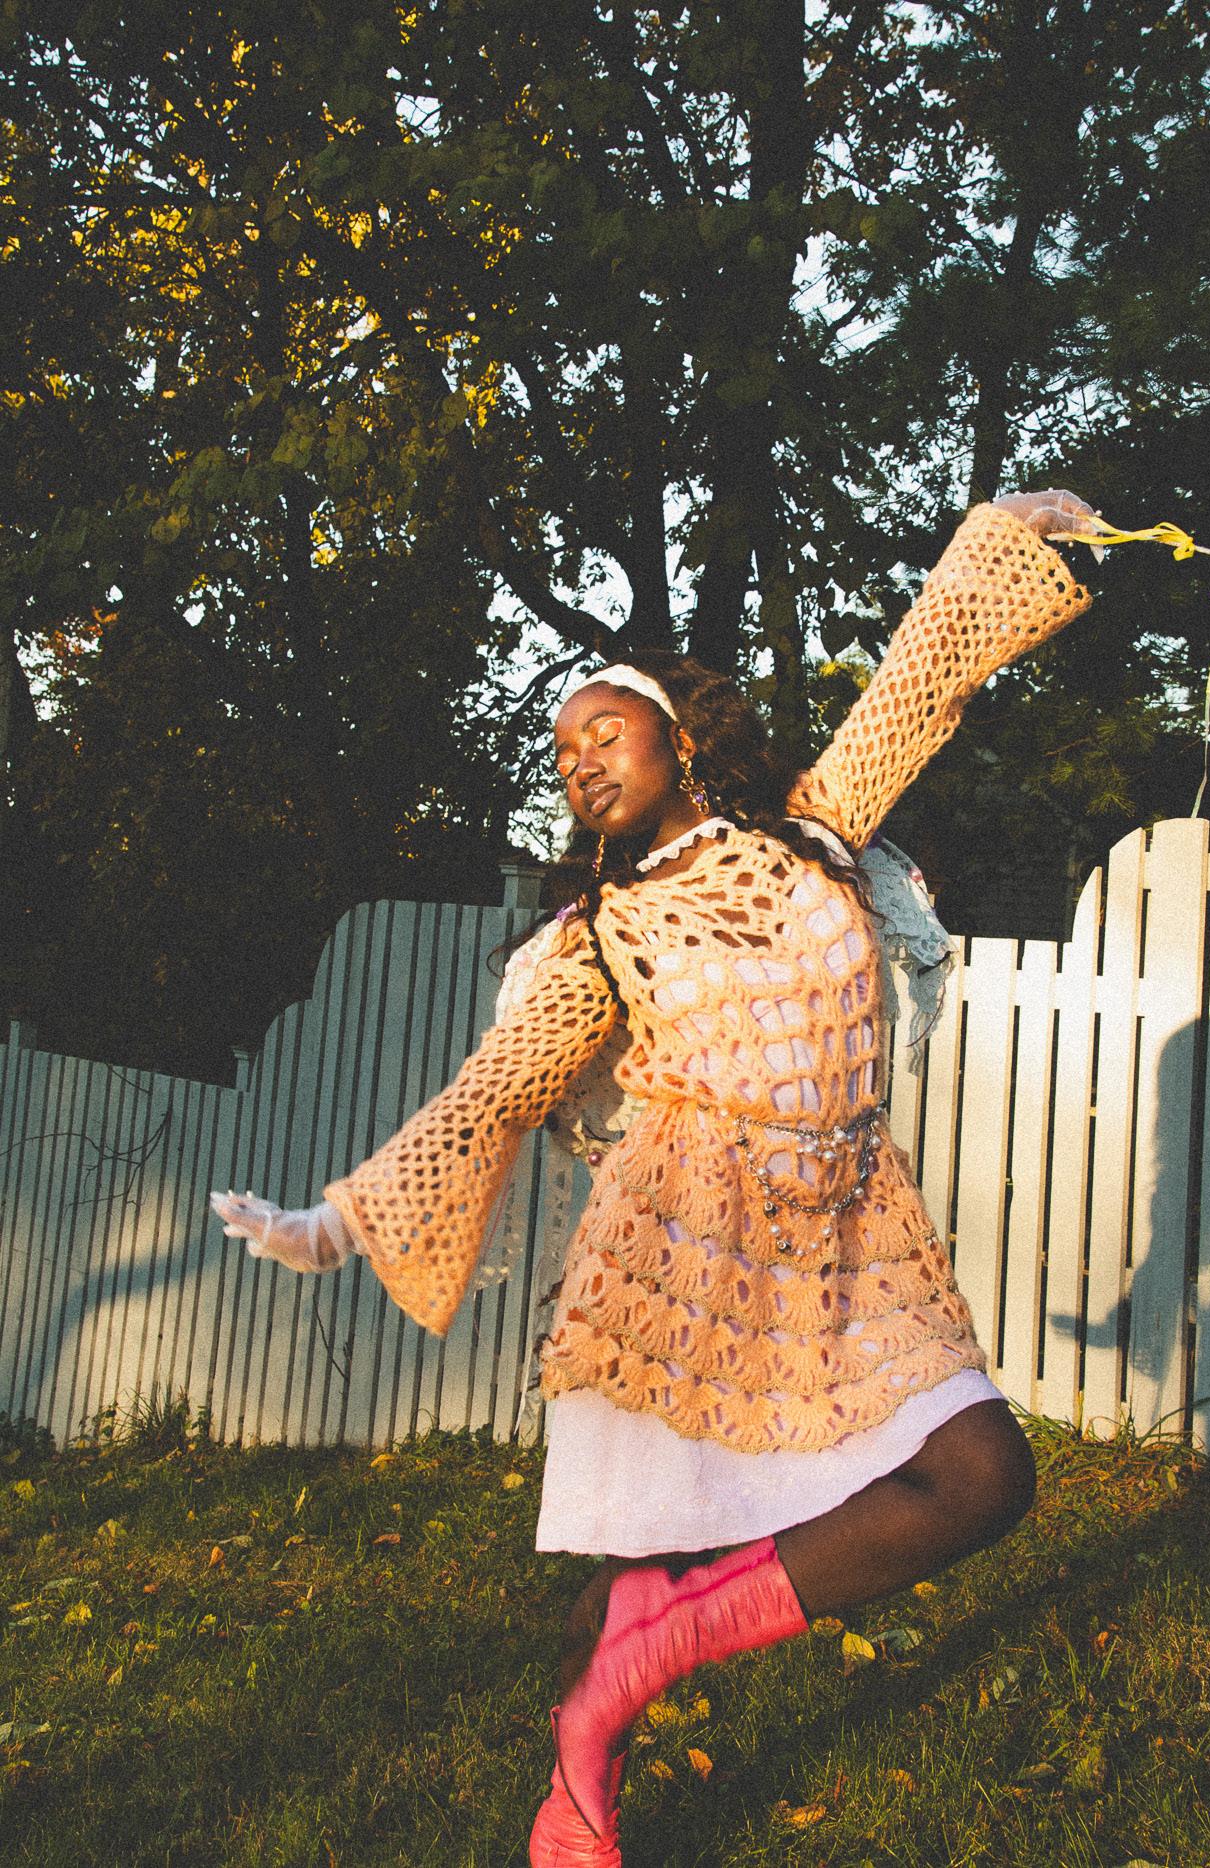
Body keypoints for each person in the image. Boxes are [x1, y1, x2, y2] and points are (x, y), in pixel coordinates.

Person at [211, 488, 1097, 1865]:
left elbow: (916, 686)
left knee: (981, 1476)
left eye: (602, 731)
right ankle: (578, 1808)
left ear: (679, 739)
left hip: (850, 1239)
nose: (578, 760)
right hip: (678, 1253)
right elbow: (494, 1092)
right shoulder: (600, 931)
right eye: (561, 750)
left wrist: (1003, 534)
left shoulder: (813, 834)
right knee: (629, 1569)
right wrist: (335, 1226)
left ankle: (656, 1654)